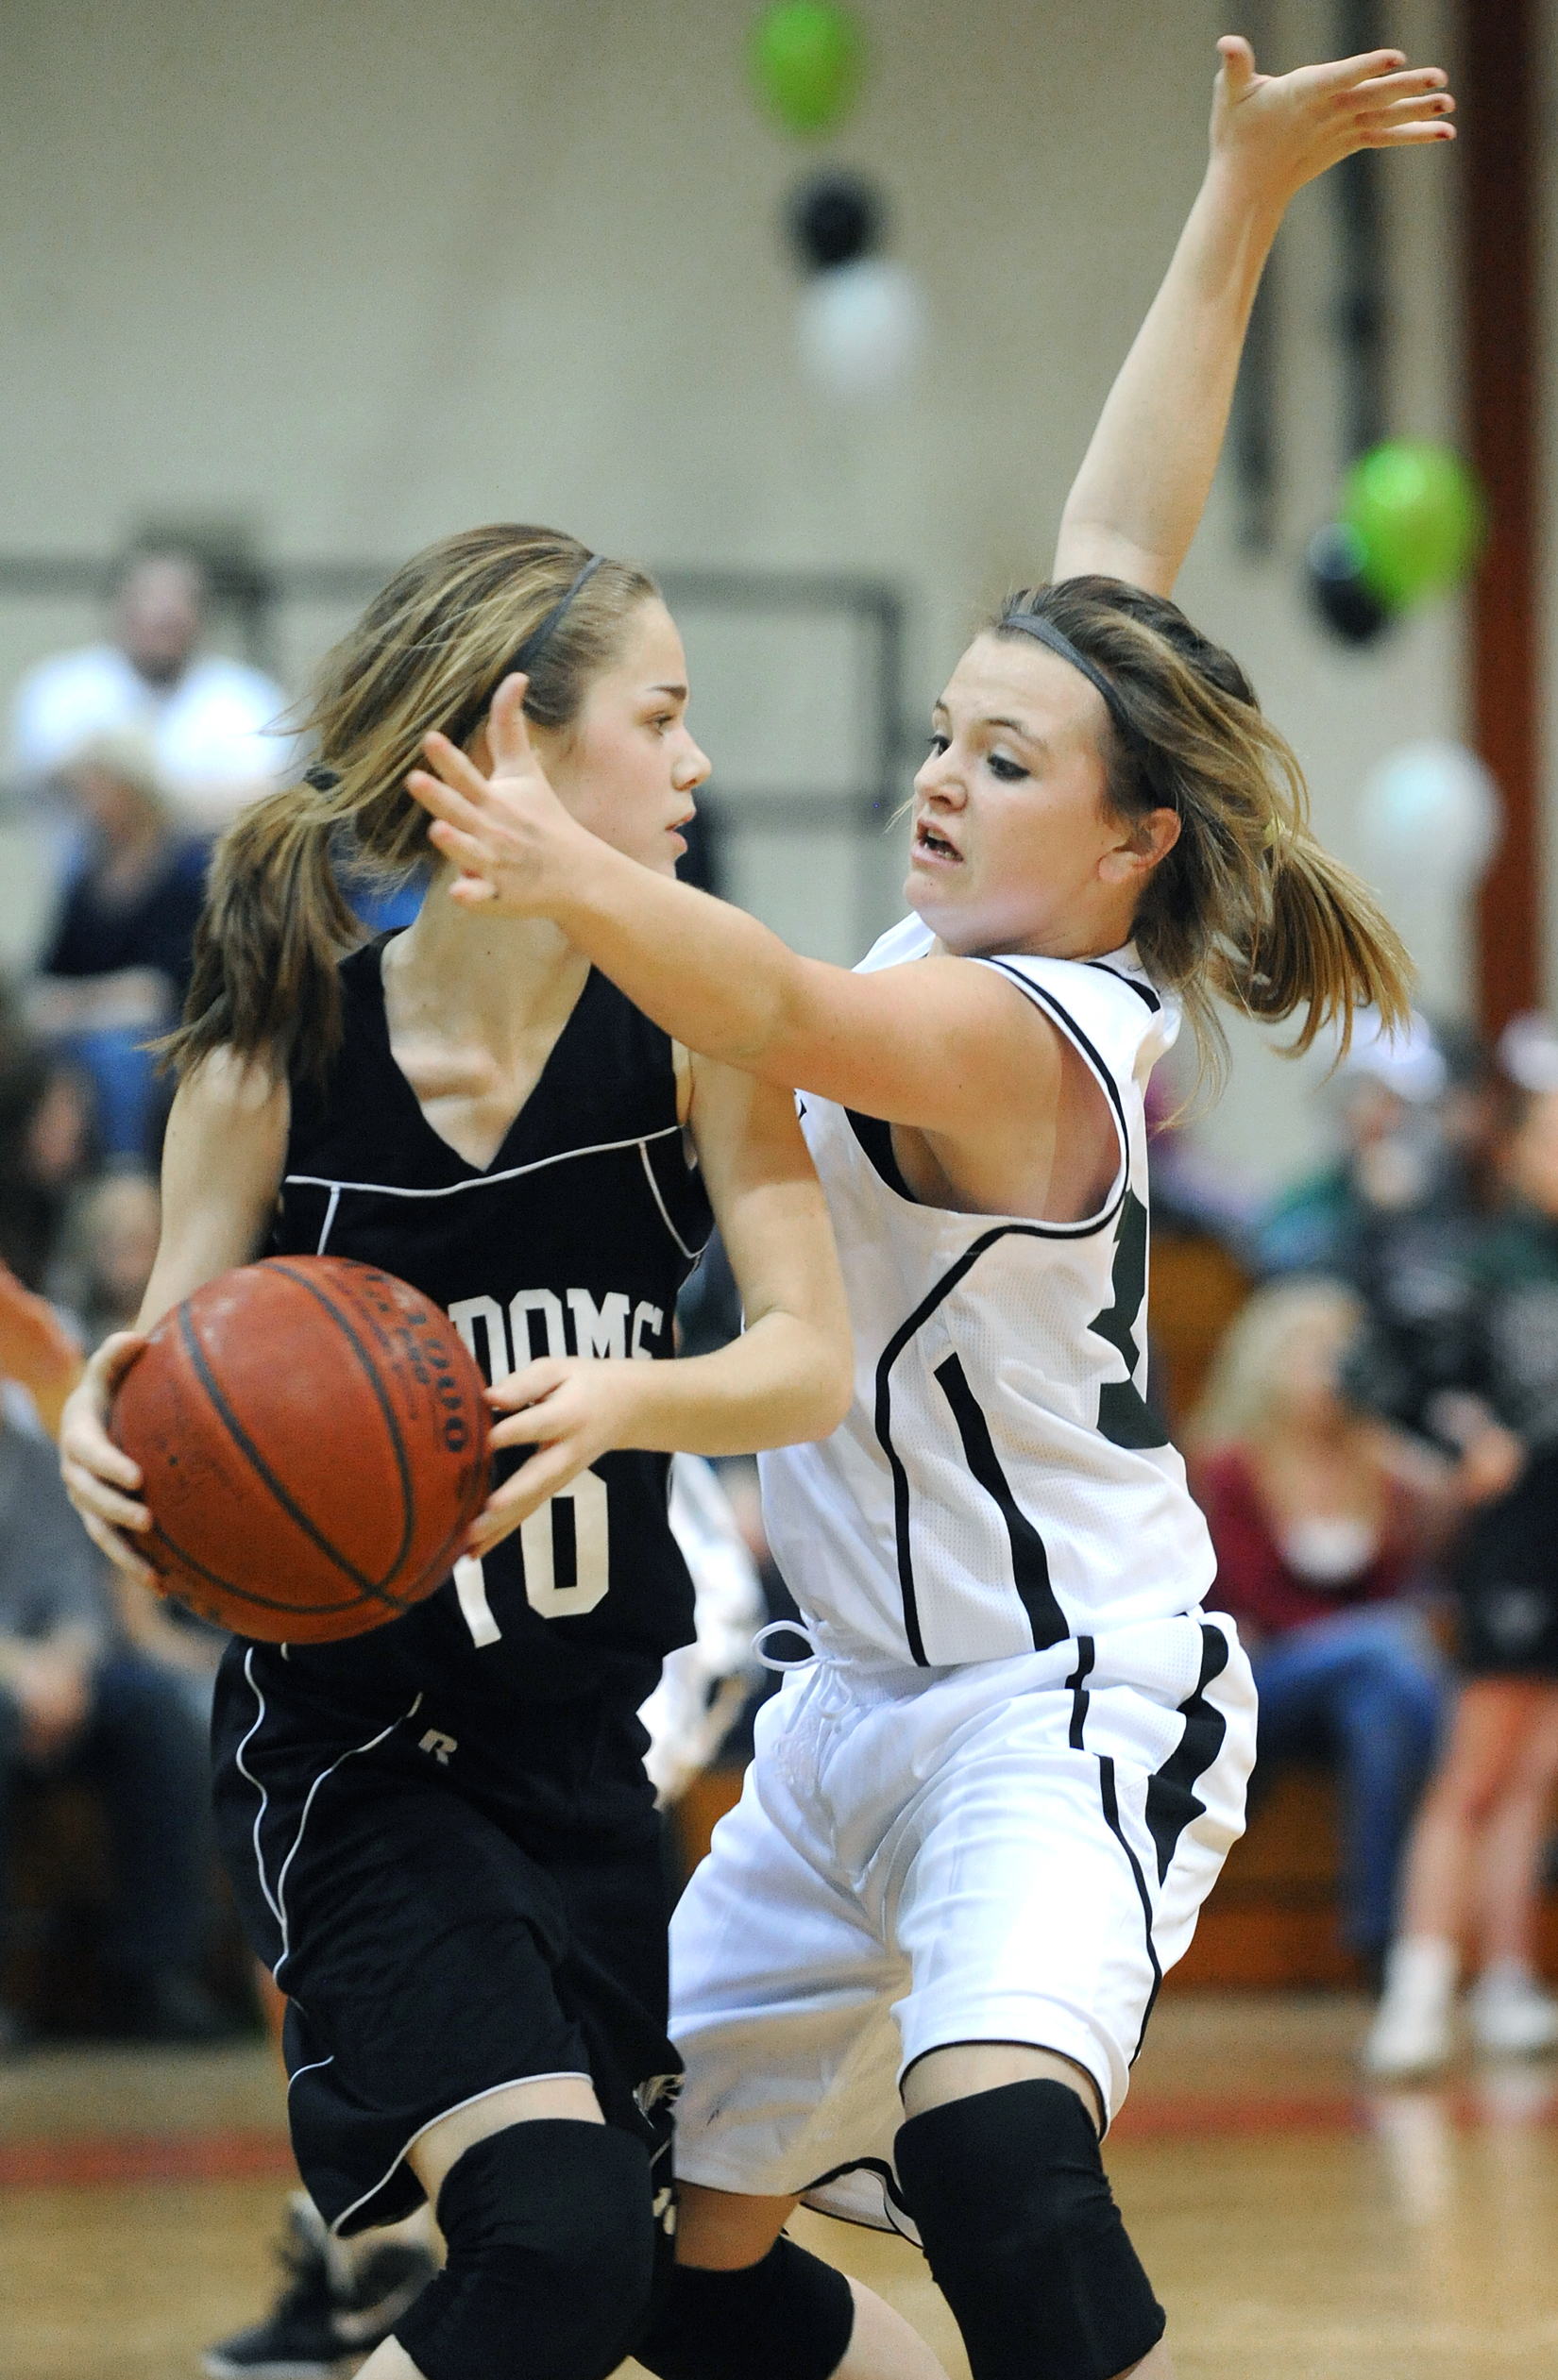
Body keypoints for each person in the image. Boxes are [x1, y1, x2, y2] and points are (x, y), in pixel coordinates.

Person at [406, 38, 1451, 2380]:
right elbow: (1122, 528)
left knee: (994, 2154)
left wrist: (562, 857)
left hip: (1062, 1692)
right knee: (661, 2265)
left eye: (1004, 760)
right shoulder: (960, 940)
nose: (943, 779)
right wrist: (1236, 199)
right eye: (942, 738)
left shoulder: (1037, 1029)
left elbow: (768, 1000)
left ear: (1129, 844)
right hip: (841, 1709)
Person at [58, 525, 852, 2380]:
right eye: (661, 716)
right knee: (557, 2247)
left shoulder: (696, 1031)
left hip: (583, 1755)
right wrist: (108, 1421)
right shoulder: (277, 1045)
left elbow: (808, 1360)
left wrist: (634, 1396)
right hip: (354, 1757)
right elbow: (165, 1371)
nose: (695, 762)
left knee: (700, 2291)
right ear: (516, 735)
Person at [1190, 1278, 1471, 1981]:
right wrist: (1367, 1635)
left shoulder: (1385, 1471)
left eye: (1345, 1357)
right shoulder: (1228, 1469)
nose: (1330, 1373)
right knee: (1390, 1650)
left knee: (1381, 1705)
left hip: (1363, 1684)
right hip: (1259, 1684)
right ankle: (1407, 1926)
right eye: (1311, 1354)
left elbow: (1422, 1577)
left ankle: (1381, 1943)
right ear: (1268, 1364)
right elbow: (1246, 1604)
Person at [1365, 1072, 1558, 2076]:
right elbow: (1394, 1378)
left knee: (1537, 1772)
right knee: (1479, 1764)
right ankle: (1419, 1986)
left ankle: (1507, 1978)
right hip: (1517, 1537)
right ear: (1517, 1152)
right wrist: (1464, 1441)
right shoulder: (1481, 1264)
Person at [0, 1386, 223, 2049]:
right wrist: (22, 1670)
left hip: (60, 1671)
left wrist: (66, 1662)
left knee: (155, 1711)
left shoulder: (35, 1454)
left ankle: (152, 1974)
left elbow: (77, 1587)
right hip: (14, 1672)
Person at [9, 546, 289, 835]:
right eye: (149, 603)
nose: (162, 617)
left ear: (202, 616)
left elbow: (264, 796)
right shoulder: (62, 687)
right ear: (119, 608)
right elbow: (60, 781)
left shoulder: (248, 695)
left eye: (175, 612)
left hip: (210, 860)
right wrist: (194, 798)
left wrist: (134, 784)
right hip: (88, 862)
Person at [26, 730, 209, 1158]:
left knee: (117, 1054)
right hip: (85, 1027)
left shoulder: (185, 868)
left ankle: (126, 1173)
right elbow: (47, 979)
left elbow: (163, 988)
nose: (88, 806)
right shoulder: (85, 876)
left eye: (98, 791)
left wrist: (78, 1003)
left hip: (167, 1027)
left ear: (133, 790)